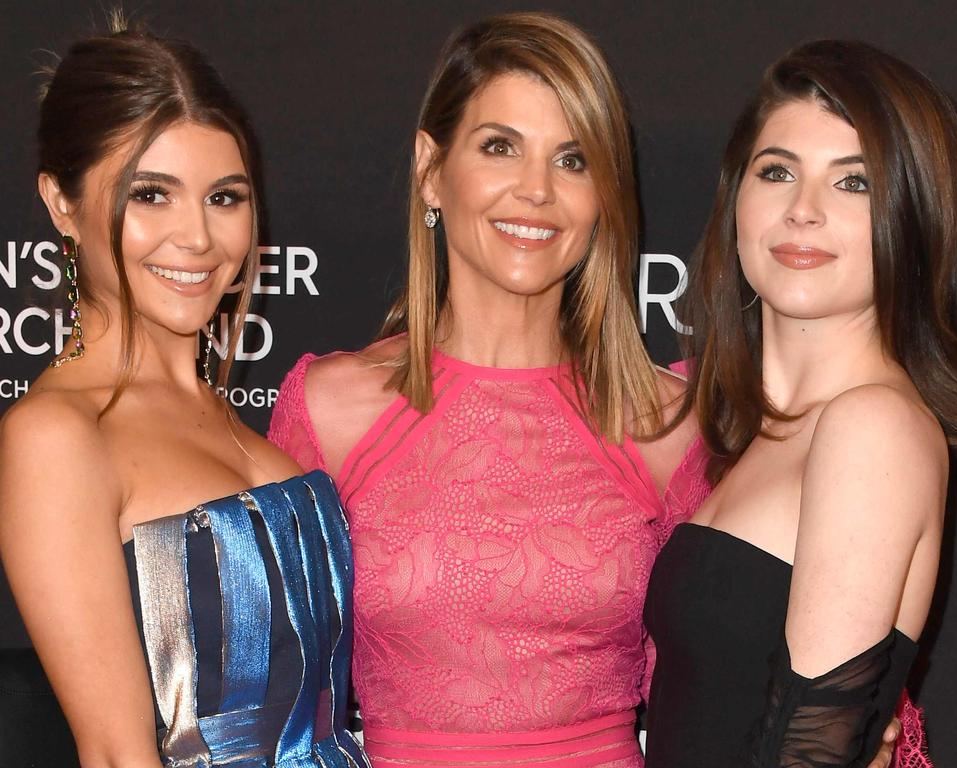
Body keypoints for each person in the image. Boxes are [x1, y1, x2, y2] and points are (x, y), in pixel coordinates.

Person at [269, 14, 907, 768]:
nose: (535, 190)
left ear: (603, 193)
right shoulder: (329, 409)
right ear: (431, 168)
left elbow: (732, 673)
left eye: (572, 160)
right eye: (500, 147)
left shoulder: (668, 422)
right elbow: (275, 704)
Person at [643, 39, 957, 767]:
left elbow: (808, 757)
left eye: (855, 184)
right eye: (777, 171)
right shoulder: (764, 434)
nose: (803, 211)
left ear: (913, 219)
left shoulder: (870, 425)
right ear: (737, 199)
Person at [0, 20, 368, 768]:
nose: (197, 237)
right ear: (62, 205)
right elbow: (114, 752)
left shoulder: (227, 416)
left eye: (224, 197)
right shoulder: (59, 434)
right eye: (151, 195)